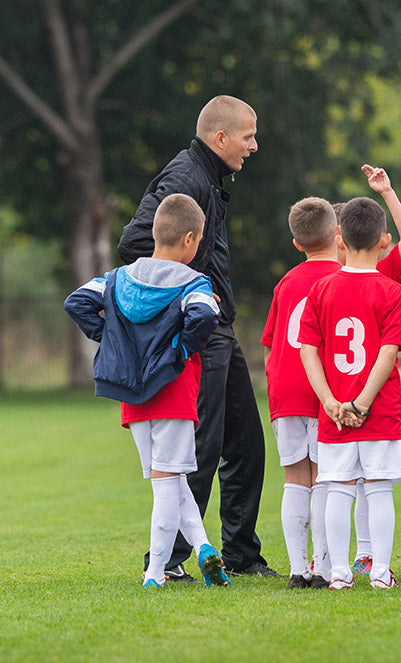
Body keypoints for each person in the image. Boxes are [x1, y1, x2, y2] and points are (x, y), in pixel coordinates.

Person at [118, 95, 277, 579]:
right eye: (248, 136)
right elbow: (135, 244)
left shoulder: (208, 177)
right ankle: (167, 562)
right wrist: (188, 294)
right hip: (201, 331)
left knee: (247, 443)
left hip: (220, 331)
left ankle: (241, 554)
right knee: (201, 447)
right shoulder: (187, 178)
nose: (253, 145)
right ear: (221, 137)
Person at [65, 194, 230, 589]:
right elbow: (205, 315)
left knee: (168, 480)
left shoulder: (118, 278)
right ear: (190, 240)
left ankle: (205, 548)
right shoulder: (194, 282)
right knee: (166, 483)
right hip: (172, 389)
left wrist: (111, 338)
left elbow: (77, 302)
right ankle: (155, 573)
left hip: (132, 395)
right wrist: (181, 350)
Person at [299, 196, 401, 590]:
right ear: (385, 241)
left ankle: (339, 574)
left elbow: (308, 350)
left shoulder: (321, 289)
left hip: (333, 412)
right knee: (379, 489)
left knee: (337, 488)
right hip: (376, 409)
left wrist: (330, 401)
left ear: (340, 240)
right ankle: (380, 573)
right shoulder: (393, 292)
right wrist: (362, 402)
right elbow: (388, 353)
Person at [334, 165, 401, 576]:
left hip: (334, 401)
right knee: (366, 484)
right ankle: (367, 560)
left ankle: (349, 560)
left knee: (341, 486)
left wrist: (387, 192)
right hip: (371, 400)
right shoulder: (351, 283)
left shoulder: (344, 282)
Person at [260, 197, 341, 589]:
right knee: (326, 478)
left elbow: (271, 342)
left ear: (296, 243)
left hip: (286, 389)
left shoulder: (286, 283)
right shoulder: (343, 277)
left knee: (295, 478)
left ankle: (296, 570)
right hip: (327, 389)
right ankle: (324, 568)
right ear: (336, 234)